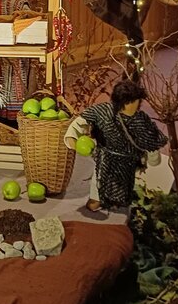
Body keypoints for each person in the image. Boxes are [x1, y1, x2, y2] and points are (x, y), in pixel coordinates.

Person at [64, 79, 167, 210]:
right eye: (129, 102)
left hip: (129, 160)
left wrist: (153, 158)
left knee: (124, 188)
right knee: (99, 181)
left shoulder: (141, 119)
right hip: (105, 157)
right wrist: (73, 139)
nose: (133, 106)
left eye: (136, 102)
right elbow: (80, 122)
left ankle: (118, 201)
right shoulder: (103, 111)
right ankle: (97, 199)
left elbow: (151, 139)